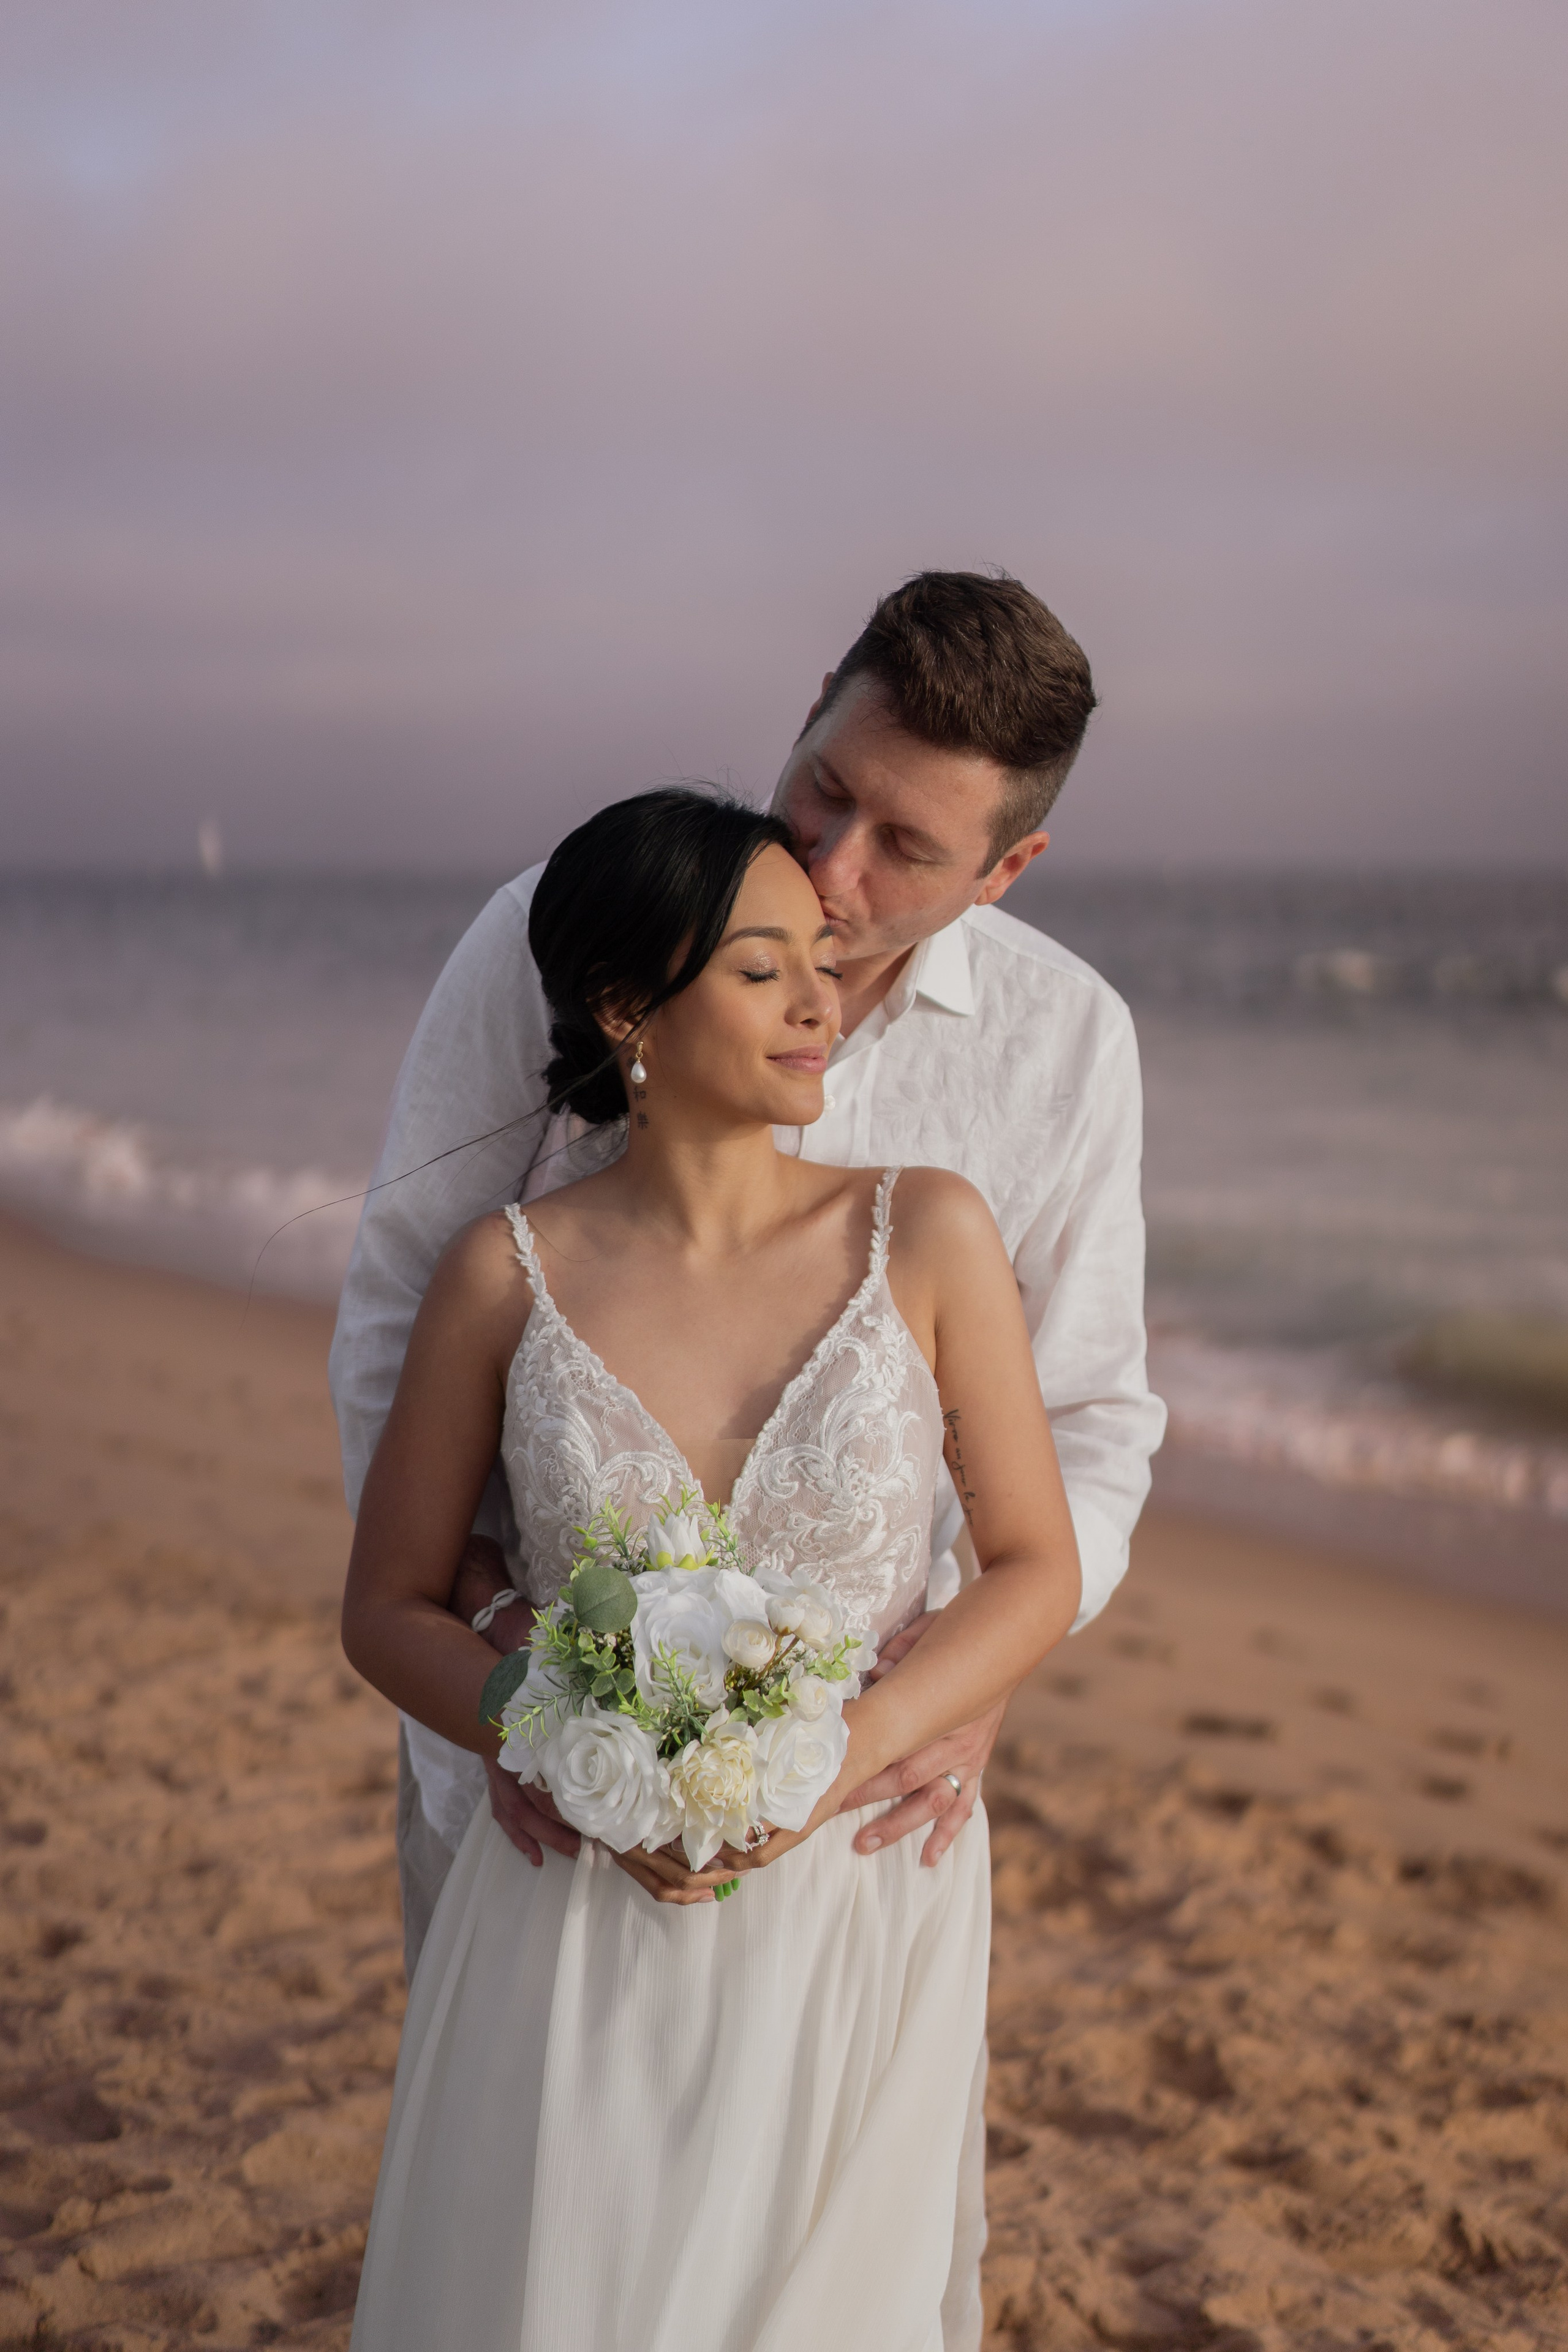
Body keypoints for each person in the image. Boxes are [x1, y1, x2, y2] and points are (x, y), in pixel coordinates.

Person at [329, 569, 1166, 1980]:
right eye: (825, 788)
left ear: (1002, 871)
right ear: (810, 712)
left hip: (862, 1823)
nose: (831, 866)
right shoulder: (570, 929)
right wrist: (504, 1677)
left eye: (905, 846)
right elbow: (400, 1314)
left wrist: (973, 1670)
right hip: (535, 1800)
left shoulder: (1064, 1043)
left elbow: (1089, 1418)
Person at [341, 793, 1083, 2350]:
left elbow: (1032, 1567)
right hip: (576, 1907)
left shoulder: (928, 1234)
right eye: (762, 970)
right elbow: (387, 1606)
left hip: (854, 1903)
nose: (822, 999)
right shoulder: (503, 1274)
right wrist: (548, 1735)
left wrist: (838, 1757)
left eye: (820, 958)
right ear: (629, 1011)